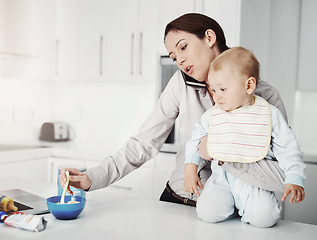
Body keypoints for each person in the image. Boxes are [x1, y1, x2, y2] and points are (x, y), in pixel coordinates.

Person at [59, 13, 288, 207]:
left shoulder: (264, 97)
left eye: (183, 47)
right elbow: (144, 143)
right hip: (175, 199)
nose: (179, 60)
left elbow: (282, 176)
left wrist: (221, 151)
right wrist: (92, 177)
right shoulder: (181, 83)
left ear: (209, 37)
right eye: (174, 56)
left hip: (230, 212)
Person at [184, 46, 306, 228]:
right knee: (207, 213)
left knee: (264, 219)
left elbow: (288, 147)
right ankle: (232, 205)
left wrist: (294, 178)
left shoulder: (268, 114)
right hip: (221, 176)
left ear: (248, 85)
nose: (216, 97)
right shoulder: (213, 114)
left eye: (223, 89)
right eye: (213, 90)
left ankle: (244, 207)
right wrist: (190, 170)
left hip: (254, 180)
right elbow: (195, 139)